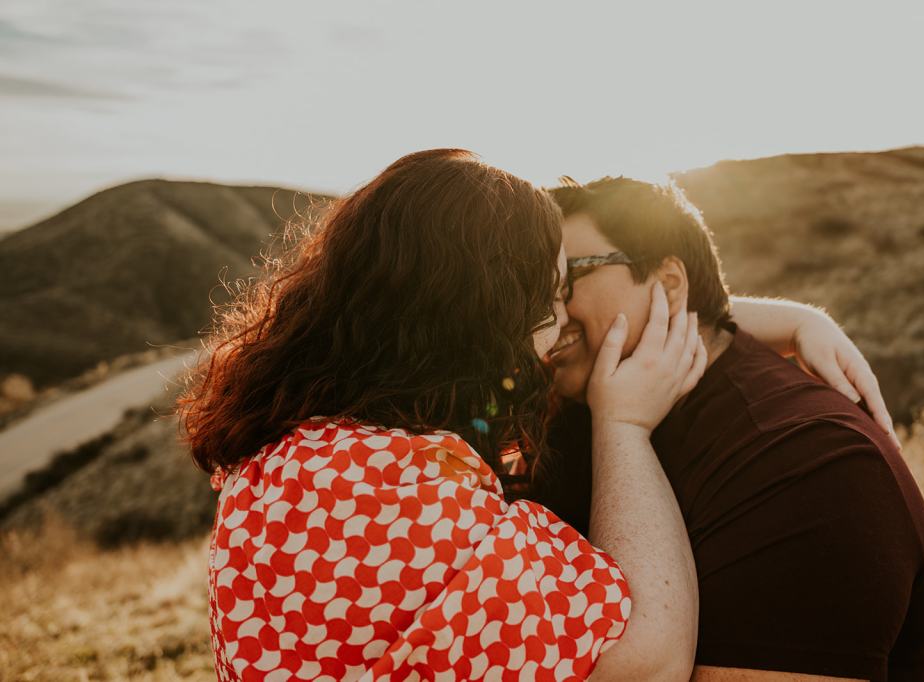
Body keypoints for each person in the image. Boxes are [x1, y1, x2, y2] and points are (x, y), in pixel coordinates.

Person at [178, 149, 703, 680]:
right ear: (488, 318)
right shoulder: (401, 499)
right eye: (551, 298)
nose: (563, 319)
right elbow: (652, 663)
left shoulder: (297, 461)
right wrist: (625, 426)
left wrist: (737, 316)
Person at [535, 176, 924, 682]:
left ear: (670, 283)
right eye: (535, 287)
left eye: (570, 278)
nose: (547, 310)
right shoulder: (582, 404)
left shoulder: (812, 465)